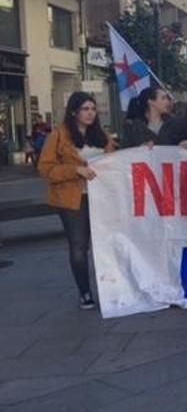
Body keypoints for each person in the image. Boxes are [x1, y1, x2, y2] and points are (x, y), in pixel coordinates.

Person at [37, 92, 115, 309]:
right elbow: (45, 168)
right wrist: (75, 170)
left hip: (101, 197)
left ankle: (111, 287)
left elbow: (115, 160)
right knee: (79, 245)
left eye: (93, 109)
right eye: (85, 109)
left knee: (104, 243)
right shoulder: (59, 135)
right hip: (73, 198)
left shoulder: (101, 135)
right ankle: (85, 291)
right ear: (74, 112)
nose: (90, 113)